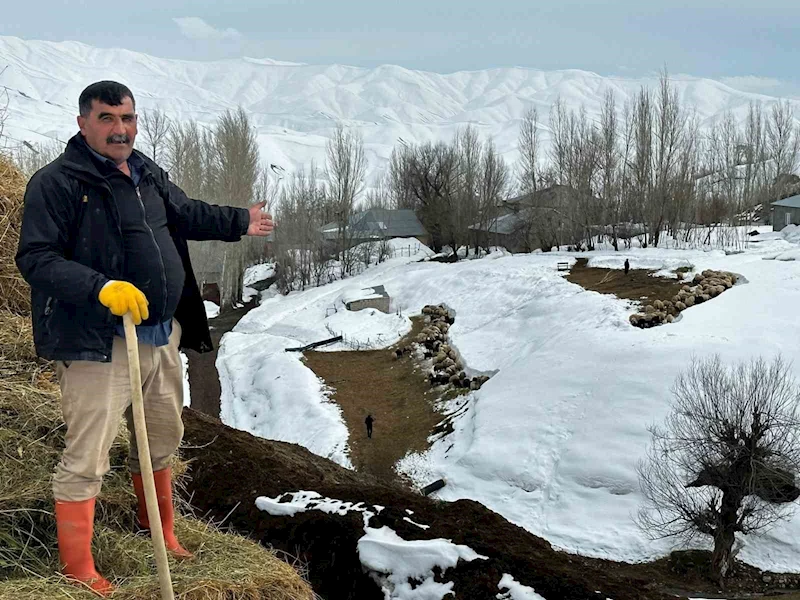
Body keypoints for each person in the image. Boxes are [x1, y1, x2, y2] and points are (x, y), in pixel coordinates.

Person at [15, 80, 273, 597]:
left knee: (160, 439)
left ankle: (158, 529)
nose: (120, 129)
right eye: (108, 118)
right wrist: (100, 287)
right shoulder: (58, 182)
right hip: (97, 342)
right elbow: (36, 259)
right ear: (83, 122)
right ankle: (78, 568)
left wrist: (239, 221)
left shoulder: (146, 172)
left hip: (159, 335)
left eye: (127, 118)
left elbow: (185, 213)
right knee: (87, 455)